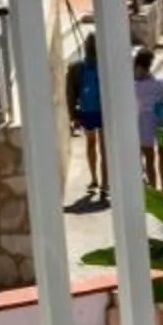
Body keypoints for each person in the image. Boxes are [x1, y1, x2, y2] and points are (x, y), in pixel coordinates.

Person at [133, 46, 163, 189]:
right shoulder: (162, 83)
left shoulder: (134, 86)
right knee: (162, 153)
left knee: (149, 156)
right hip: (162, 117)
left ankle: (154, 187)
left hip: (144, 120)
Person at [64, 27, 104, 203]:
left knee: (91, 144)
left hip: (87, 111)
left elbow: (70, 93)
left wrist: (73, 114)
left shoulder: (77, 67)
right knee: (104, 147)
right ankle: (106, 182)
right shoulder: (105, 65)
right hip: (103, 111)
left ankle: (94, 179)